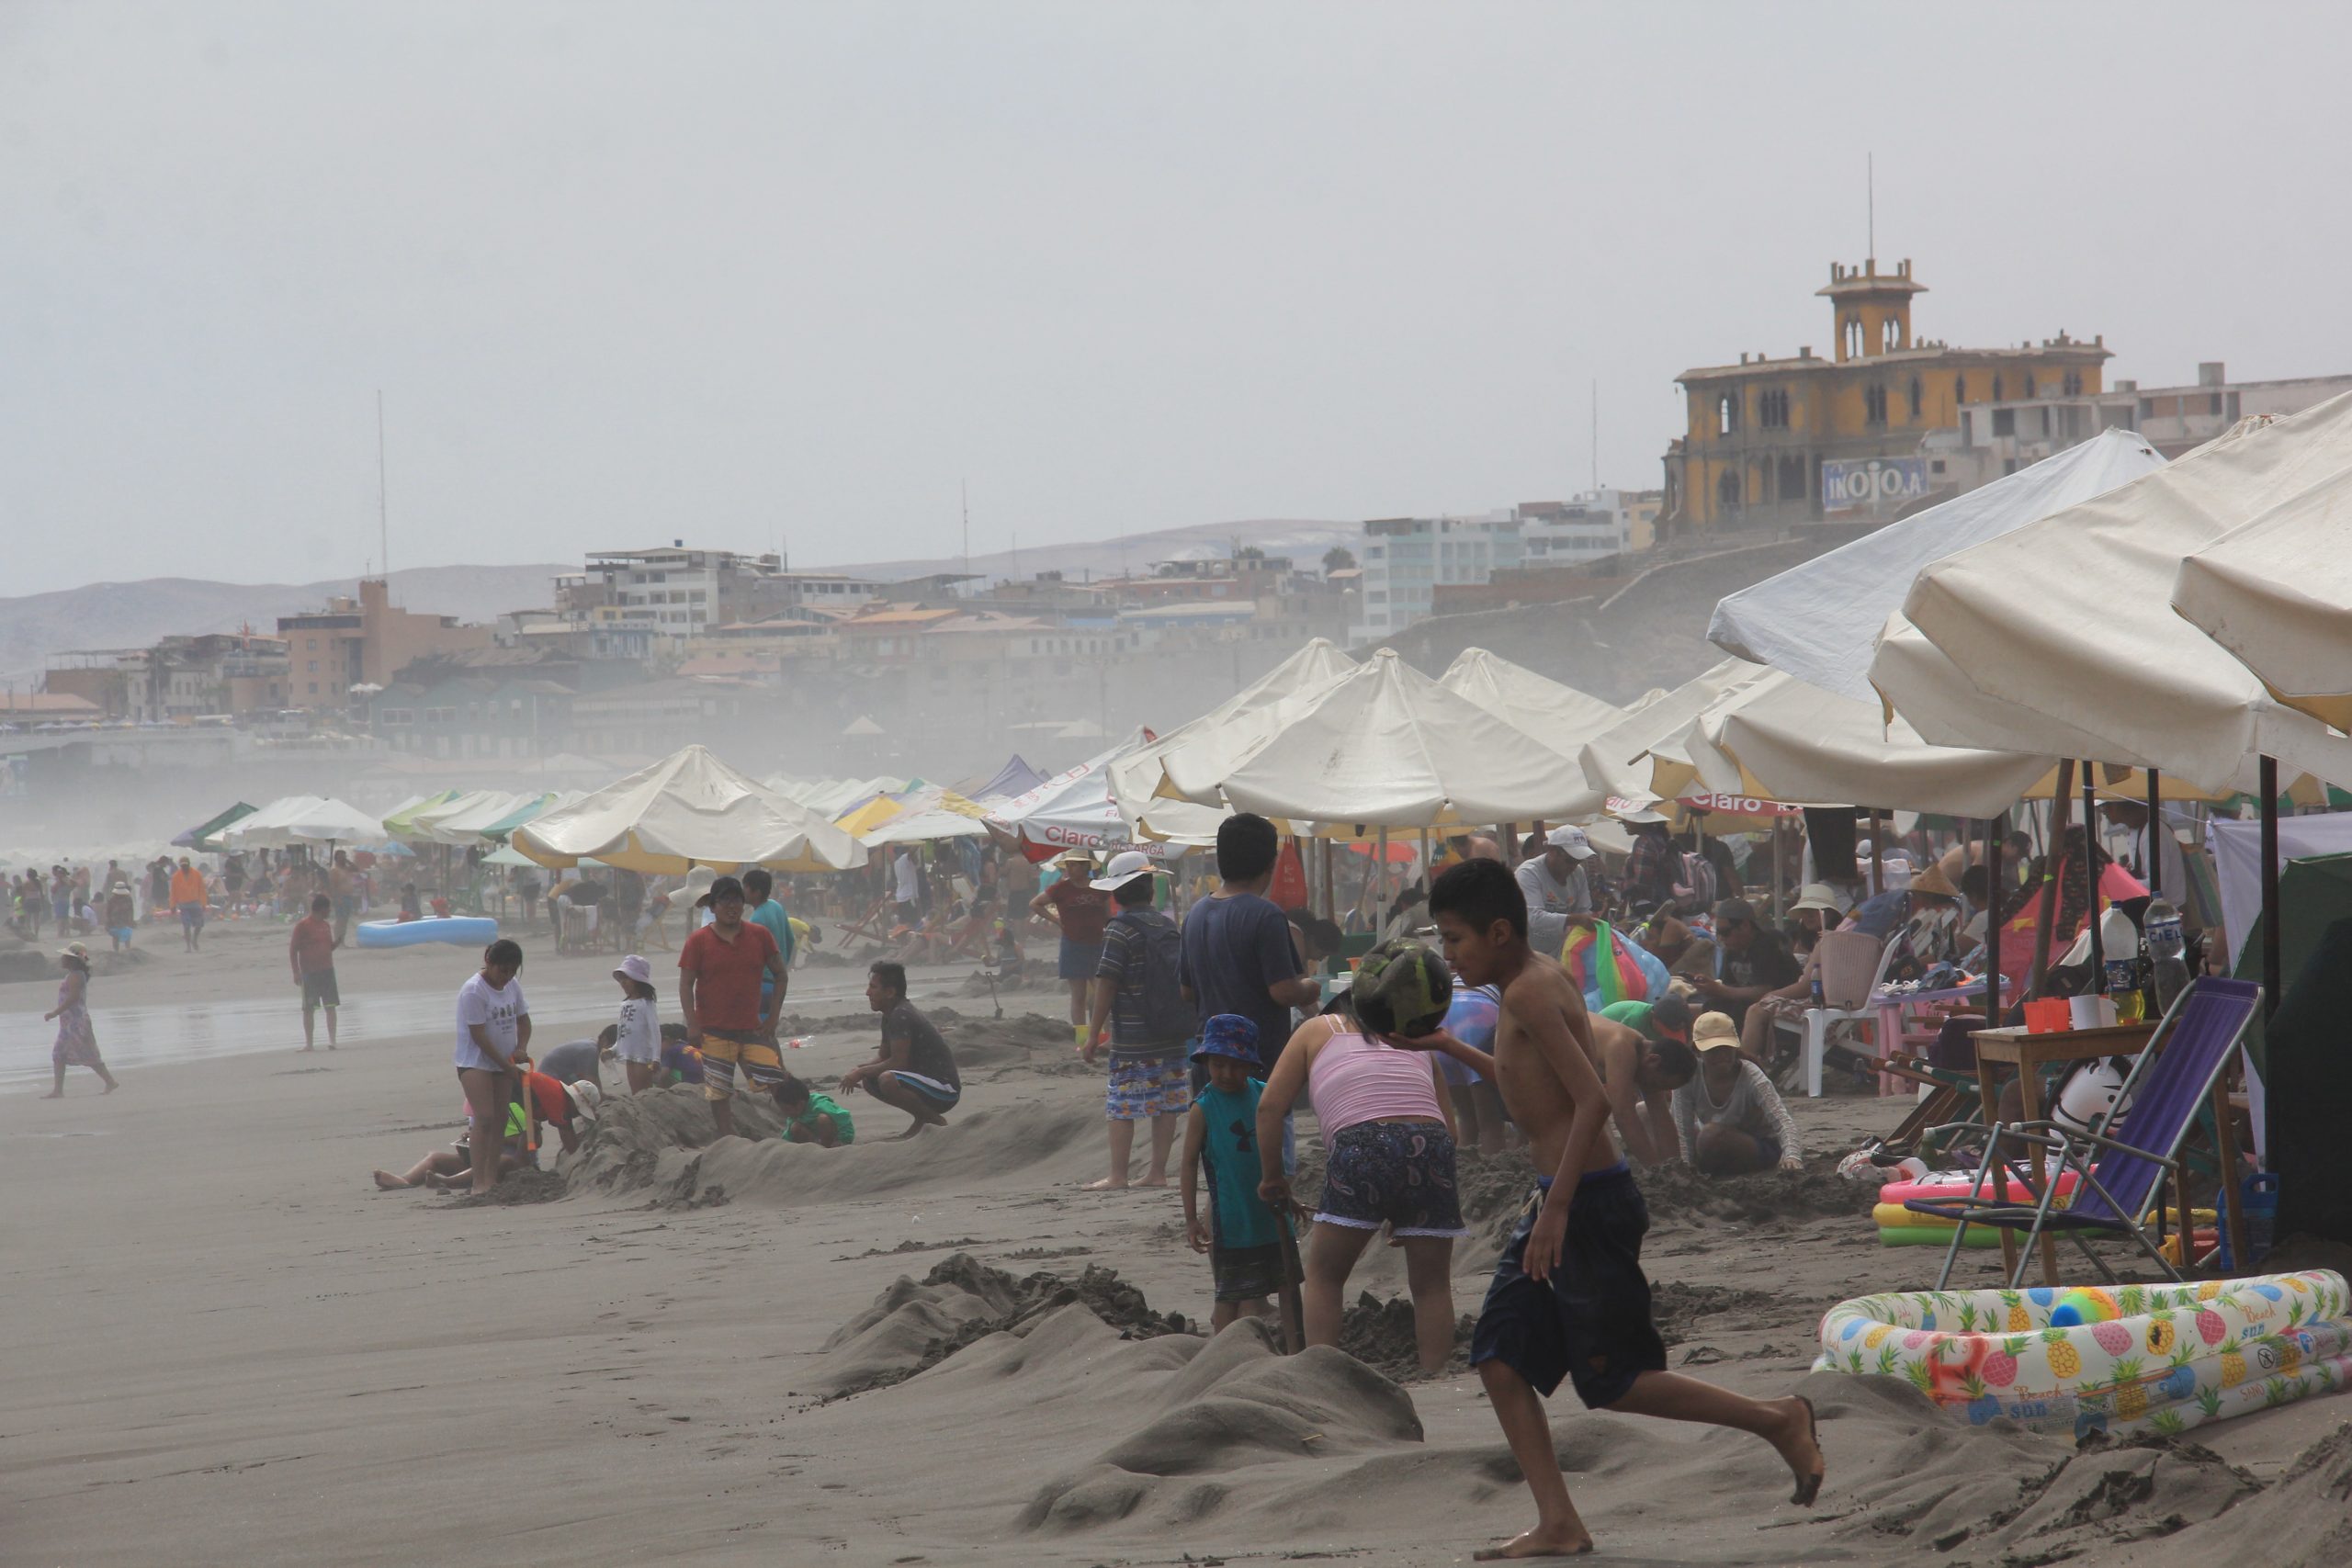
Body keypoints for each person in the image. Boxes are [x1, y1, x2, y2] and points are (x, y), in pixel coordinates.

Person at [1409, 859, 1821, 1559]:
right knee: (1501, 1356)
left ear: (1499, 930)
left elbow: (1596, 1099)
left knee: (1614, 1380)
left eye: (1455, 940)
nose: (1447, 955)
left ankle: (1779, 1419)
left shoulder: (1532, 991)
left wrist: (1558, 1209)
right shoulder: (1523, 982)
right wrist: (1448, 1046)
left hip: (1588, 1203)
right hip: (1561, 1196)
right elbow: (1527, 1086)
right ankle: (1559, 1521)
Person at [1256, 943, 1467, 1375]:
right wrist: (1408, 1196)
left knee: (1326, 1277)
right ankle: (1436, 1377)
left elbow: (1268, 1109)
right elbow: (1451, 1130)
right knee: (1431, 1286)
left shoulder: (1317, 1030)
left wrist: (1273, 1177)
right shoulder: (1416, 1042)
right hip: (1431, 1146)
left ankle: (1323, 1373)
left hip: (1362, 1143)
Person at [1178, 815, 1322, 1082]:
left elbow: (1187, 991)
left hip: (1209, 1061)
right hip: (1255, 1063)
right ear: (1271, 864)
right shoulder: (1266, 915)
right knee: (1264, 1124)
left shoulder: (1195, 915)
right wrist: (1310, 988)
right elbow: (1284, 991)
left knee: (1211, 1123)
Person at [1080, 851, 1191, 1189]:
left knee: (1122, 1104)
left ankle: (1118, 1174)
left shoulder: (1118, 930)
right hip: (1171, 1030)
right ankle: (1157, 1172)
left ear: (1116, 893)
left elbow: (1108, 983)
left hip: (1133, 1037)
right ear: (1149, 888)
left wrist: (1093, 1034)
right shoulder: (1167, 925)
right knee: (1166, 1103)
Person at [1181, 1014, 1289, 1332]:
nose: (1227, 1073)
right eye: (1218, 1064)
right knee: (1228, 1294)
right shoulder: (1204, 1107)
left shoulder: (1265, 1095)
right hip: (1230, 1220)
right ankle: (1222, 1356)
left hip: (1271, 1214)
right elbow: (1188, 1164)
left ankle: (1297, 1352)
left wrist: (1288, 1198)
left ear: (1251, 1064)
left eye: (1237, 1064)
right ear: (1207, 1063)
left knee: (1287, 1286)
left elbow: (1278, 1155)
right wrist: (1190, 1218)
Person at [677, 874, 787, 1141]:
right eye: (724, 901)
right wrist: (692, 1023)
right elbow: (686, 984)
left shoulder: (759, 936)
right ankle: (727, 1139)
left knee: (775, 1080)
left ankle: (791, 1129)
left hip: (753, 1027)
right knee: (719, 1089)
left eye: (736, 900)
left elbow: (781, 974)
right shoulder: (698, 941)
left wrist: (773, 1018)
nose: (731, 906)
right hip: (714, 1030)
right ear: (712, 906)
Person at [375, 1072, 599, 1190]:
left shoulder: (533, 1104)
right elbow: (567, 1137)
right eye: (577, 1111)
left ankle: (445, 1181)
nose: (574, 1116)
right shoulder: (555, 1099)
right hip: (493, 1155)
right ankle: (405, 1181)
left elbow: (528, 1146)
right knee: (436, 1157)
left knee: (504, 1159)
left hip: (501, 1156)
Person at [841, 961, 963, 1137]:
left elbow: (898, 1062)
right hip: (921, 1082)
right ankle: (921, 1119)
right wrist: (860, 1070)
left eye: (873, 987)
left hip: (944, 1089)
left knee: (887, 1079)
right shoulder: (889, 1015)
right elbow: (883, 1056)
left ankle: (935, 1121)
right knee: (869, 1078)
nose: (867, 993)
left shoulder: (901, 1014)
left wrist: (861, 1072)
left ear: (890, 992)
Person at [1674, 1011, 1804, 1176]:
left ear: (1735, 1048)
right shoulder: (1690, 1077)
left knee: (1710, 1135)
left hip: (1759, 1145)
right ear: (1698, 1052)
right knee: (1646, 1113)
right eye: (1713, 1050)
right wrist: (1686, 1167)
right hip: (1710, 1142)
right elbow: (1681, 1127)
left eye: (1726, 1049)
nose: (1721, 1056)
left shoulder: (1751, 1075)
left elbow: (1782, 1120)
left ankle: (1710, 1169)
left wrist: (1792, 1156)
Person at [453, 939, 533, 1199]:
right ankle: (479, 1181)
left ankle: (490, 1178)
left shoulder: (512, 986)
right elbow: (479, 1036)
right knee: (484, 1118)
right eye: (502, 971)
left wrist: (521, 1047)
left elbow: (523, 1020)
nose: (506, 977)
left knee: (500, 1120)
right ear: (489, 962)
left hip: (504, 1062)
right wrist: (505, 1066)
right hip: (475, 1061)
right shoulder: (474, 991)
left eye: (512, 972)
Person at [1030, 849, 1113, 1049]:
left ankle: (1104, 1035)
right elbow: (1036, 904)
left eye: (1074, 864)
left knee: (1101, 992)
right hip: (1073, 944)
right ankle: (1081, 1037)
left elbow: (1107, 913)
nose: (1070, 868)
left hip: (1097, 944)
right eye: (1068, 864)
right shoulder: (1061, 888)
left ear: (1086, 866)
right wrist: (1056, 920)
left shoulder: (1099, 887)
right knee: (1079, 994)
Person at [1690, 897, 1798, 1032]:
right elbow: (1729, 987)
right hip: (1749, 1004)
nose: (1722, 939)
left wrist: (1719, 989)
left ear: (1745, 926)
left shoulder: (1767, 945)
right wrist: (1710, 988)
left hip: (1781, 1004)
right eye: (1719, 934)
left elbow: (1763, 990)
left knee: (1737, 1012)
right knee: (1712, 1006)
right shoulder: (1732, 950)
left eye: (1726, 932)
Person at [42, 942, 120, 1098]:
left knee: (86, 1054)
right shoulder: (74, 975)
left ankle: (109, 1082)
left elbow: (73, 998)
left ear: (73, 960)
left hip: (76, 1023)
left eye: (65, 957)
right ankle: (58, 1090)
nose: (62, 959)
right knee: (61, 1054)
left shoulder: (76, 975)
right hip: (70, 1023)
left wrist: (54, 1013)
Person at [288, 893, 342, 1052]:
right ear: (321, 909)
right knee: (309, 1008)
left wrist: (337, 943)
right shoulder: (303, 925)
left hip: (327, 970)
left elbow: (328, 947)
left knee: (330, 1006)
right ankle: (309, 1044)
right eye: (328, 908)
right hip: (309, 972)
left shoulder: (326, 926)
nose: (330, 911)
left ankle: (332, 1041)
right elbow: (293, 949)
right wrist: (295, 972)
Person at [609, 953, 663, 1093]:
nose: (623, 983)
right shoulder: (625, 1004)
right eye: (621, 979)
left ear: (637, 980)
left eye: (626, 978)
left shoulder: (646, 1003)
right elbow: (623, 1033)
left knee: (643, 1093)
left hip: (643, 1056)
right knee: (635, 1093)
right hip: (629, 1056)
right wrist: (613, 1050)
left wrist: (656, 1057)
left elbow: (655, 1030)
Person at [1514, 826, 1595, 918]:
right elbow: (1533, 917)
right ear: (1552, 850)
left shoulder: (1578, 872)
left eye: (1579, 861)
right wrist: (1574, 920)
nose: (1573, 866)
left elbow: (1584, 910)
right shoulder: (1528, 873)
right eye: (1570, 861)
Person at [770, 1071, 855, 1147]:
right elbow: (788, 1135)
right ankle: (815, 1149)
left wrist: (844, 1139)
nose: (785, 1113)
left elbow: (843, 1117)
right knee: (795, 1127)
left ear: (800, 1105)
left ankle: (828, 1147)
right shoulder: (794, 1115)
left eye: (787, 1109)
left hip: (834, 1137)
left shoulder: (820, 1105)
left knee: (823, 1119)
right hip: (815, 1139)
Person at [169, 855, 209, 953]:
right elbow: (173, 892)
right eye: (182, 866)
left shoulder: (197, 874)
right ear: (180, 866)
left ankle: (194, 939)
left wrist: (204, 903)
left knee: (199, 925)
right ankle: (188, 947)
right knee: (186, 926)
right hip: (183, 905)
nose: (184, 868)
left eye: (186, 865)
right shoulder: (176, 877)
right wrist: (172, 905)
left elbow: (202, 890)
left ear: (189, 864)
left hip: (196, 903)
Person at [327, 851, 359, 944]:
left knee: (345, 920)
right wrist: (337, 898)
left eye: (345, 856)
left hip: (348, 896)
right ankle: (338, 941)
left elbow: (356, 868)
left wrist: (347, 861)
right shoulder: (335, 870)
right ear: (337, 858)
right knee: (340, 920)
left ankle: (342, 941)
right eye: (341, 857)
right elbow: (333, 886)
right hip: (341, 897)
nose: (343, 859)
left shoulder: (346, 869)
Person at [891, 845, 924, 927]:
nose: (916, 856)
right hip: (907, 898)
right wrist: (917, 842)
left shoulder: (901, 863)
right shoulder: (903, 860)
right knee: (910, 923)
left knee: (910, 922)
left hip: (906, 897)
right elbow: (911, 852)